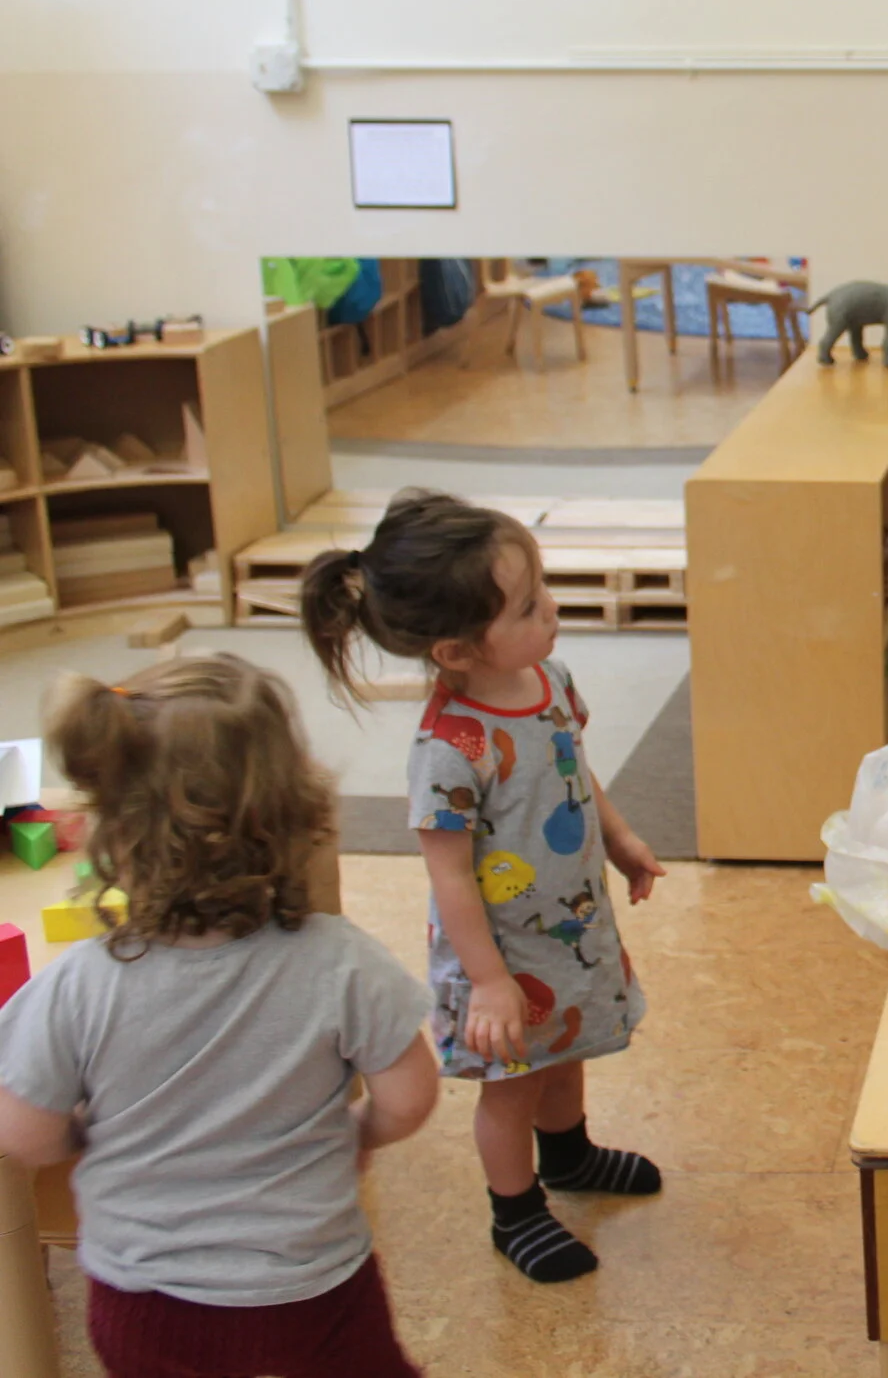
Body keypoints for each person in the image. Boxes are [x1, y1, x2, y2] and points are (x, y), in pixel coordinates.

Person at [0, 655, 439, 1377]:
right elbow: (411, 1095)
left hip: (142, 1298)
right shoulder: (339, 961)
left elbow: (24, 1133)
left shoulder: (79, 984)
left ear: (109, 824)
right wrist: (357, 1131)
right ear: (296, 809)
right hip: (312, 1287)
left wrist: (88, 1132)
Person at [302, 490, 668, 1283]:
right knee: (512, 1084)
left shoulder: (551, 676)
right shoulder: (447, 746)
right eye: (530, 606)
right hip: (497, 955)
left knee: (566, 1050)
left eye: (542, 592)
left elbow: (574, 763)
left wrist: (622, 838)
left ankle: (568, 1155)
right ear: (457, 651)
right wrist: (491, 982)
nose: (553, 611)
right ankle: (516, 1210)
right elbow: (448, 872)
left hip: (567, 927)